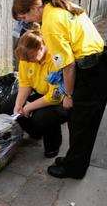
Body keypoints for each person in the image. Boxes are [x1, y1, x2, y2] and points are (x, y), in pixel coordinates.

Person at [12, 0, 107, 179]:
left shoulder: (50, 24)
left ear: (35, 7)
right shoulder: (58, 8)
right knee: (82, 123)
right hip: (100, 65)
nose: (28, 22)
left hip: (92, 72)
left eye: (26, 16)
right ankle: (73, 161)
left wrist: (68, 95)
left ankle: (75, 168)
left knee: (82, 126)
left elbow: (68, 66)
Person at [14, 25, 69, 158]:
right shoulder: (26, 59)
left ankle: (53, 145)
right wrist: (19, 105)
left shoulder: (56, 58)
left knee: (44, 116)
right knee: (15, 109)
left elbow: (55, 97)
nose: (29, 62)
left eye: (32, 57)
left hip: (62, 98)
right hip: (43, 93)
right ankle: (36, 132)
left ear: (42, 46)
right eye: (26, 60)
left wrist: (28, 107)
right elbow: (25, 83)